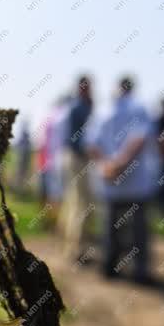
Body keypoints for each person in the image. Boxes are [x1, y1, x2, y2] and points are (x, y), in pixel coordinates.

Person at [86, 77, 161, 284]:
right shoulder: (140, 108)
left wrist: (106, 166)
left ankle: (109, 267)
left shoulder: (102, 111)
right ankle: (140, 272)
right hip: (136, 181)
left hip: (109, 180)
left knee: (110, 225)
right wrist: (121, 164)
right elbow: (140, 138)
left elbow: (91, 143)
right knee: (138, 228)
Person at [58, 75, 94, 260]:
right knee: (81, 204)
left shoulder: (75, 106)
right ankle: (77, 249)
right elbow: (79, 140)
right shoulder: (79, 107)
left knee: (74, 201)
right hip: (78, 158)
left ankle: (71, 245)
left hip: (73, 157)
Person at [16, 120, 32, 195]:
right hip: (22, 159)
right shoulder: (24, 137)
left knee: (23, 175)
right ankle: (19, 191)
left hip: (24, 159)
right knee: (20, 175)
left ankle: (22, 191)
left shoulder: (26, 137)